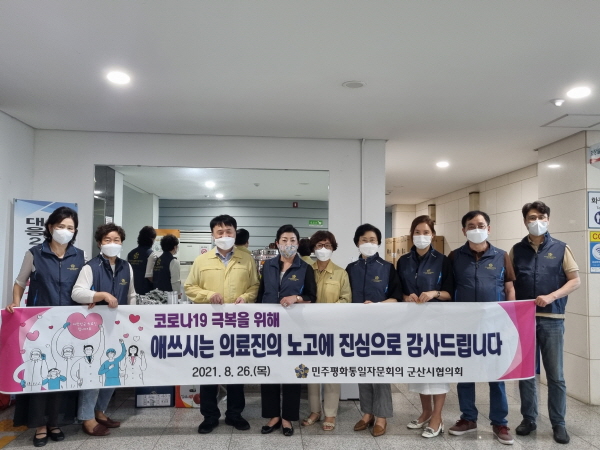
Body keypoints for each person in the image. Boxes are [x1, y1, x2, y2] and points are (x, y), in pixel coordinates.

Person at [7, 206, 85, 448]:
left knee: (62, 373)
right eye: (61, 226)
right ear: (50, 227)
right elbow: (20, 282)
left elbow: (83, 289)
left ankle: (56, 422)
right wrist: (16, 303)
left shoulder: (80, 256)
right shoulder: (34, 253)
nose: (65, 231)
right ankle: (40, 424)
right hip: (39, 326)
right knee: (40, 373)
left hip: (68, 328)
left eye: (70, 227)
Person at [511, 201, 580, 444]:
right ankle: (529, 419)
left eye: (541, 217)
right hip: (524, 320)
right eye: (532, 217)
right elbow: (510, 283)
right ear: (525, 221)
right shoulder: (517, 250)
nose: (537, 221)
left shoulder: (561, 248)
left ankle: (558, 423)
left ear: (548, 219)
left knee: (555, 375)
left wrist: (552, 296)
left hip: (552, 319)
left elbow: (575, 280)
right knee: (526, 373)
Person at [184, 215, 259, 434]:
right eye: (220, 232)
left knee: (236, 370)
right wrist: (208, 295)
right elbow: (189, 287)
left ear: (235, 233)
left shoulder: (246, 260)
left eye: (229, 231)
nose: (224, 235)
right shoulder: (202, 260)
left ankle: (235, 414)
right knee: (209, 371)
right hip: (209, 325)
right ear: (213, 235)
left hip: (238, 325)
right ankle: (209, 416)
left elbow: (255, 286)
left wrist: (246, 297)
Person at [447, 211, 516, 445]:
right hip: (464, 326)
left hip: (494, 326)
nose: (476, 229)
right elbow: (449, 289)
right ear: (463, 230)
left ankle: (500, 422)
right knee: (465, 373)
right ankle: (468, 418)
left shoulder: (501, 256)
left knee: (497, 374)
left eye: (481, 225)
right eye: (471, 225)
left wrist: (510, 320)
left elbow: (509, 288)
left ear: (489, 228)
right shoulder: (455, 256)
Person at [71, 223, 136, 437]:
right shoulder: (91, 267)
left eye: (116, 240)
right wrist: (101, 295)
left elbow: (131, 295)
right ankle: (87, 417)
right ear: (99, 243)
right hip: (94, 329)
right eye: (107, 240)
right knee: (92, 372)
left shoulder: (126, 267)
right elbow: (77, 293)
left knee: (112, 371)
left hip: (118, 327)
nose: (112, 244)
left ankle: (100, 411)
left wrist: (132, 319)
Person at [256, 224, 317, 437]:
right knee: (269, 371)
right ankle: (272, 415)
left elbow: (312, 296)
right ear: (277, 243)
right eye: (284, 240)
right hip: (269, 327)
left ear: (298, 244)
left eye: (292, 240)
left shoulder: (305, 268)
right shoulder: (268, 266)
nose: (288, 244)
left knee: (292, 372)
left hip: (294, 329)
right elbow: (261, 294)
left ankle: (287, 417)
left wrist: (296, 298)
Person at [396, 216, 454, 438]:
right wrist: (406, 296)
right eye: (417, 232)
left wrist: (434, 293)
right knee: (419, 370)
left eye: (426, 232)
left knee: (437, 370)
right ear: (411, 235)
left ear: (433, 235)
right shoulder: (403, 261)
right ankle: (426, 412)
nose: (421, 236)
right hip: (413, 323)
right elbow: (399, 291)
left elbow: (451, 293)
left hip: (437, 323)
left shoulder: (443, 261)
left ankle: (437, 416)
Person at [346, 223, 402, 437]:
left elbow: (396, 297)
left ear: (378, 243)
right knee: (363, 370)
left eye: (372, 240)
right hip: (357, 328)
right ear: (357, 243)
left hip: (381, 328)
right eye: (364, 240)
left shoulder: (387, 268)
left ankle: (382, 416)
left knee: (380, 371)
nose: (368, 243)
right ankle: (367, 413)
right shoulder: (351, 268)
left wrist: (377, 306)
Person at [302, 230, 351, 431]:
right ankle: (315, 411)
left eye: (328, 245)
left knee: (331, 372)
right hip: (309, 330)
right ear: (313, 248)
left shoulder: (340, 273)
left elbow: (346, 299)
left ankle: (330, 413)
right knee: (311, 372)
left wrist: (327, 312)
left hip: (332, 330)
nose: (324, 249)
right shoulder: (306, 271)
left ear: (333, 248)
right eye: (319, 245)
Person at [127, 226, 156, 295]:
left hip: (131, 290)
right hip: (146, 291)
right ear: (152, 239)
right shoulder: (151, 254)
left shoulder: (130, 253)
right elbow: (150, 276)